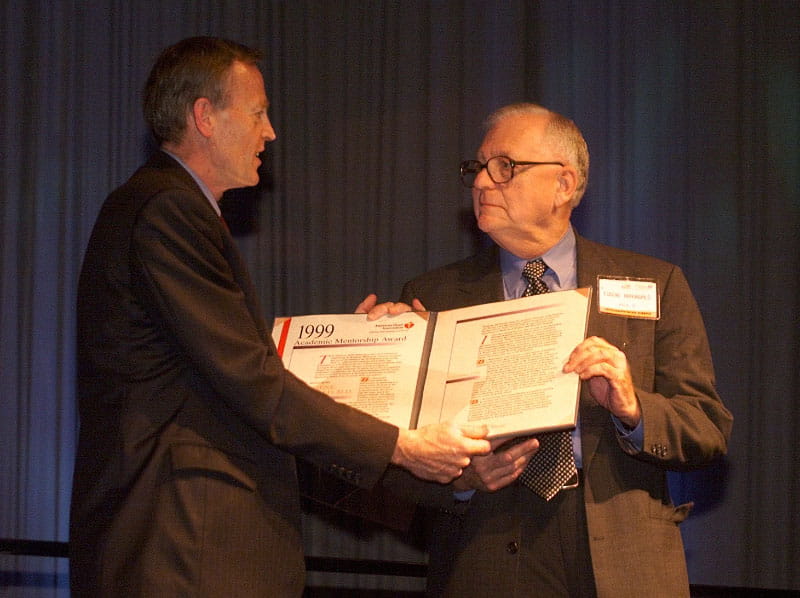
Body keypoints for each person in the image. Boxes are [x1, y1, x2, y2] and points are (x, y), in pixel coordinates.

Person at [69, 36, 491, 597]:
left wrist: (352, 351)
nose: (269, 133)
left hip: (187, 543)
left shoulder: (166, 206)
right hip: (182, 545)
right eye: (259, 113)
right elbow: (250, 380)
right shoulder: (168, 209)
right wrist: (399, 444)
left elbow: (220, 369)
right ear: (205, 117)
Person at [360, 102, 733, 597]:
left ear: (564, 184)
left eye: (505, 167)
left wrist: (633, 408)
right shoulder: (435, 298)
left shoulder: (653, 283)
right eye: (478, 168)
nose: (482, 183)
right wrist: (461, 476)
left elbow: (706, 427)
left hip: (621, 557)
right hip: (484, 555)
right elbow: (391, 462)